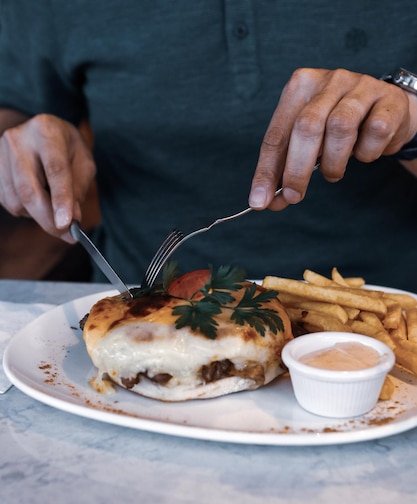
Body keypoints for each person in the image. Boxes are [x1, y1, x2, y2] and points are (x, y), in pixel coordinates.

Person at [0, 1, 417, 290]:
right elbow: (14, 107)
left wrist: (409, 121)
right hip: (144, 300)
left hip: (383, 319)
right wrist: (23, 145)